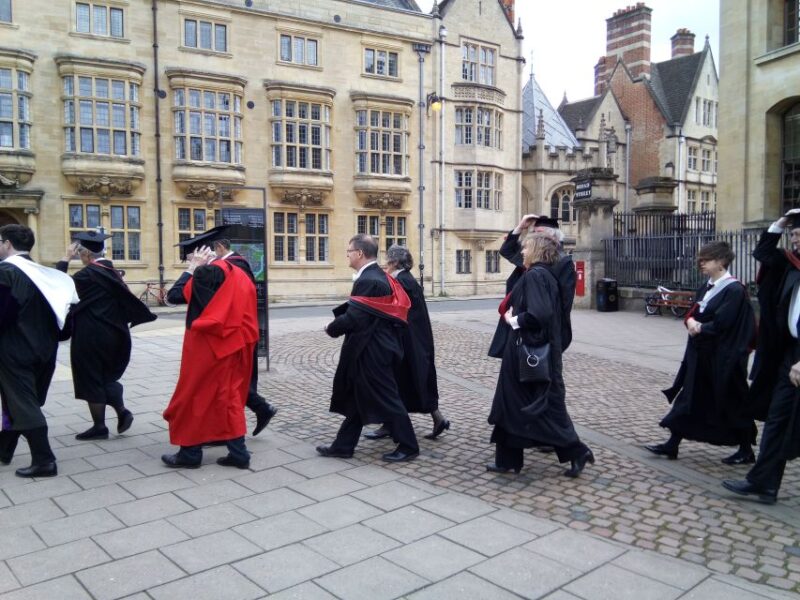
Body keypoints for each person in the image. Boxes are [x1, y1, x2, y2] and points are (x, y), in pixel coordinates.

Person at [487, 232, 594, 477]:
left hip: (525, 353)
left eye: (526, 248)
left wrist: (513, 320)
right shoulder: (541, 275)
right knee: (515, 406)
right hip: (527, 351)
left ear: (536, 250)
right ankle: (507, 460)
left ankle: (576, 451)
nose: (522, 252)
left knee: (531, 407)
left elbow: (539, 314)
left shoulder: (536, 276)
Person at [645, 241, 756, 463]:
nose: (701, 263)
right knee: (689, 398)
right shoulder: (706, 286)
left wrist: (701, 327)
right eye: (701, 260)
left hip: (723, 357)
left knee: (731, 401)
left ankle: (746, 450)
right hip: (702, 354)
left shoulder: (734, 290)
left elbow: (725, 323)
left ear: (721, 262)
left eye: (707, 260)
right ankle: (672, 444)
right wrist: (692, 321)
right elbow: (695, 310)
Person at [316, 234, 419, 462]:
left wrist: (331, 327)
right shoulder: (376, 276)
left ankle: (409, 446)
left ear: (360, 253)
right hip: (373, 348)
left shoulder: (369, 280)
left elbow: (356, 317)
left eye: (349, 251)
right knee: (356, 397)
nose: (347, 255)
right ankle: (343, 446)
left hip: (374, 352)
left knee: (388, 398)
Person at [723, 211, 800, 504]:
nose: (793, 239)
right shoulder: (790, 265)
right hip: (788, 355)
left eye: (796, 234)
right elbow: (763, 252)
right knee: (779, 420)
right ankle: (764, 483)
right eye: (791, 234)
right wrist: (780, 224)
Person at [171, 228, 277, 436]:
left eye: (193, 255)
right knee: (228, 387)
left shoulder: (225, 268)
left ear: (217, 248)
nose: (194, 259)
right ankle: (235, 434)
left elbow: (176, 295)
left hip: (227, 337)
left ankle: (231, 439)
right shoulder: (235, 266)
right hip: (235, 334)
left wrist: (193, 269)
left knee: (225, 387)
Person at [162, 246, 259, 469]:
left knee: (193, 396)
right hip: (235, 344)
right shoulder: (239, 273)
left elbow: (175, 295)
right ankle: (239, 454)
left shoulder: (208, 272)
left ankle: (190, 453)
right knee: (229, 399)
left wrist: (192, 268)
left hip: (207, 347)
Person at [56, 231, 157, 440]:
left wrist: (65, 259)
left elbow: (59, 288)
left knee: (90, 377)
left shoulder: (87, 275)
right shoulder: (112, 271)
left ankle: (100, 427)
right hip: (116, 334)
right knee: (105, 376)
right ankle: (122, 412)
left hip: (91, 334)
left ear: (85, 255)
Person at [0, 224, 78, 477]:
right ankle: (4, 450)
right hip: (45, 350)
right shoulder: (46, 275)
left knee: (24, 404)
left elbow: (3, 314)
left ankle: (44, 461)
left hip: (13, 350)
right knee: (19, 401)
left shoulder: (5, 273)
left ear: (7, 243)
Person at [365, 244, 450, 441]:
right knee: (410, 383)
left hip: (410, 342)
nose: (386, 264)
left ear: (394, 262)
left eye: (388, 260)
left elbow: (396, 312)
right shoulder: (405, 279)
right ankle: (395, 423)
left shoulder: (401, 282)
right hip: (415, 340)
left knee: (402, 383)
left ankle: (397, 426)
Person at [489, 215, 576, 358]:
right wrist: (521, 227)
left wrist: (552, 332)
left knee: (537, 369)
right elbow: (507, 251)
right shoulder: (532, 256)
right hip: (521, 321)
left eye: (539, 232)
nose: (534, 235)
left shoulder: (562, 261)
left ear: (551, 237)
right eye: (534, 232)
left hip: (538, 326)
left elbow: (564, 302)